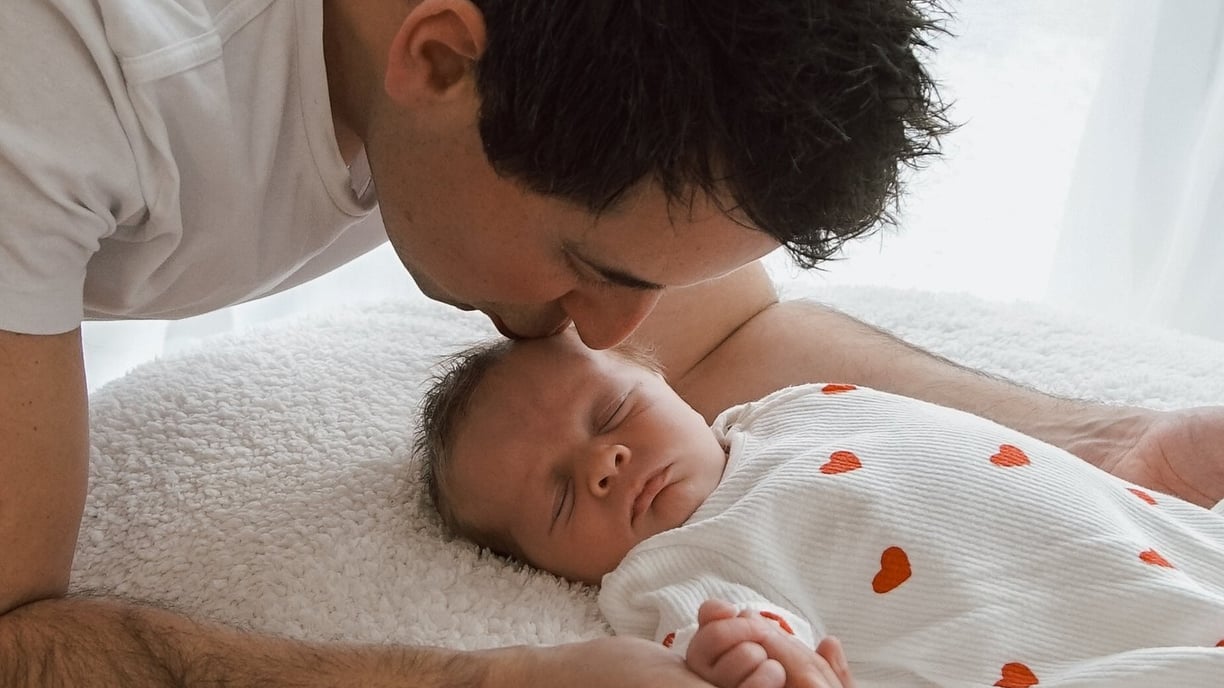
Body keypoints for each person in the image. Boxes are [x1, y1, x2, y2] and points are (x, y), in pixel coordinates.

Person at [2, 0, 1223, 686]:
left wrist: (1109, 446)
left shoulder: (591, 58)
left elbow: (733, 326)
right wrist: (489, 683)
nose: (622, 337)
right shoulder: (55, 89)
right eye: (598, 269)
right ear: (436, 59)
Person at [418, 331, 1224, 688]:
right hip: (1062, 656)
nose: (606, 463)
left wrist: (1134, 456)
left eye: (613, 413)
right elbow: (748, 644)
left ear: (661, 376)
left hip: (1156, 542)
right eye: (560, 495)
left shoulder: (786, 408)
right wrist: (755, 657)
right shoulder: (675, 570)